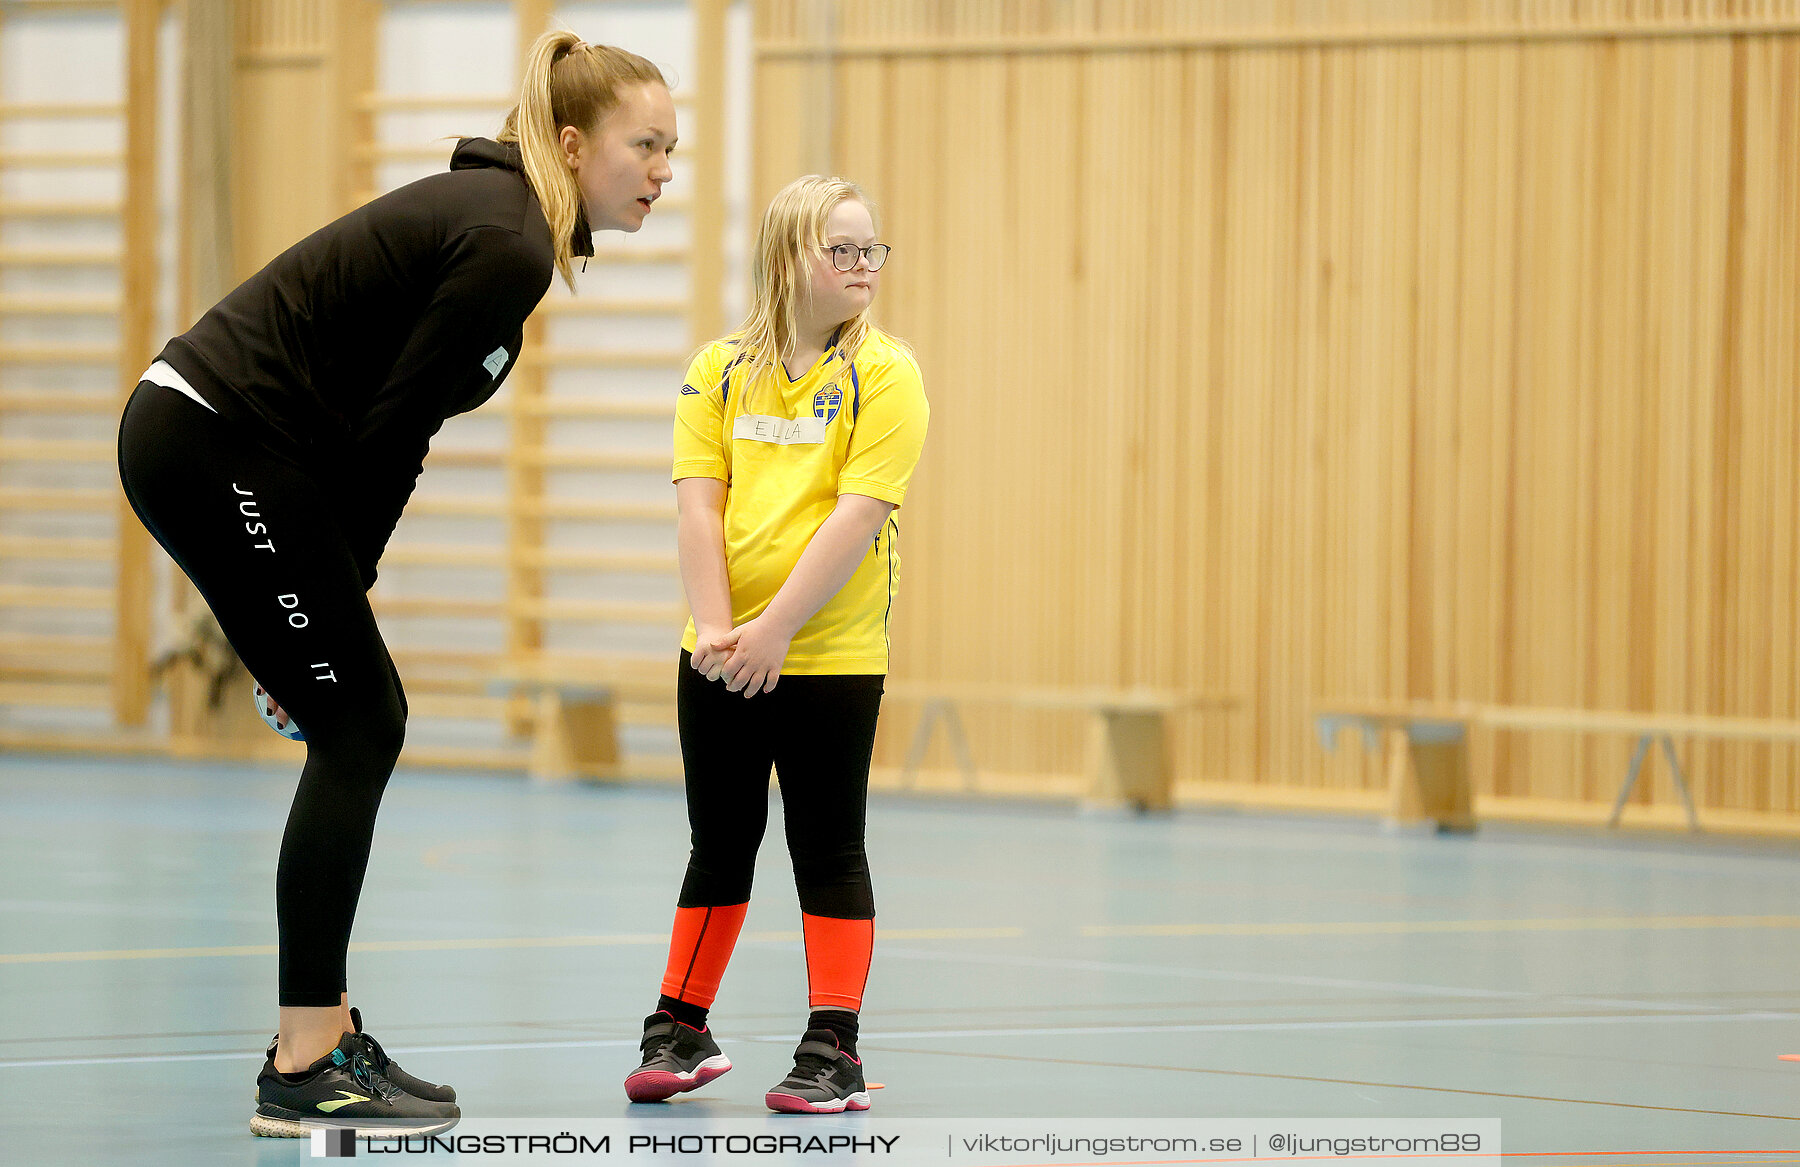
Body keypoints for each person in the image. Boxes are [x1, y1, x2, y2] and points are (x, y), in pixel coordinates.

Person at [115, 30, 676, 1138]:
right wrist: (325, 621)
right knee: (362, 722)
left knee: (356, 712)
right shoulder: (507, 242)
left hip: (233, 450)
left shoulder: (504, 224)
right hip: (213, 439)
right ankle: (307, 1060)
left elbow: (384, 438)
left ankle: (315, 1041)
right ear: (572, 144)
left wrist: (318, 618)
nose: (665, 171)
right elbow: (386, 442)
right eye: (646, 146)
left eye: (673, 149)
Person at [623, 176, 928, 1114]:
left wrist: (778, 631)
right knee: (718, 844)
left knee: (827, 848)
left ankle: (832, 1046)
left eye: (871, 249)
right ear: (789, 256)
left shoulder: (885, 374)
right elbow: (697, 503)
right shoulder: (716, 368)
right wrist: (719, 630)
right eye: (842, 250)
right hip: (720, 654)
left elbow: (860, 511)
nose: (862, 267)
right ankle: (681, 1026)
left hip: (829, 659)